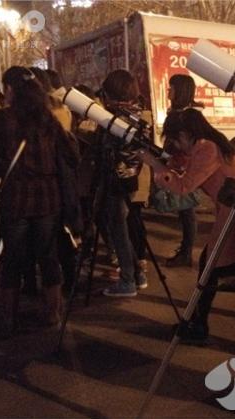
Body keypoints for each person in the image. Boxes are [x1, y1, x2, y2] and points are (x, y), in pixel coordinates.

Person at [136, 108, 235, 342]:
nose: (176, 145)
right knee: (225, 264)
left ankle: (199, 327)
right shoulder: (206, 144)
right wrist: (166, 159)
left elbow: (183, 186)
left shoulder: (207, 148)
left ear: (186, 134)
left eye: (176, 139)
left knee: (210, 266)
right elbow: (186, 165)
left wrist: (155, 165)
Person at [0, 66, 76, 333]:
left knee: (13, 257)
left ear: (9, 89)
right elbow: (71, 155)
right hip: (48, 196)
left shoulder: (1, 118)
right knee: (48, 255)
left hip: (15, 196)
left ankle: (8, 317)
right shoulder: (48, 119)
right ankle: (52, 313)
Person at [95, 69, 148, 297]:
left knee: (119, 231)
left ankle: (128, 281)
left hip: (117, 180)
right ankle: (136, 274)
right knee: (123, 228)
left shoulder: (118, 119)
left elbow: (108, 149)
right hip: (129, 178)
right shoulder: (136, 114)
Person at [162, 74, 204, 267]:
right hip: (177, 164)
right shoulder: (177, 112)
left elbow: (191, 144)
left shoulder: (189, 116)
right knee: (184, 211)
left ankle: (186, 253)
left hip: (184, 167)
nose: (168, 91)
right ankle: (185, 251)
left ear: (181, 90)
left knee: (187, 210)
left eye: (171, 88)